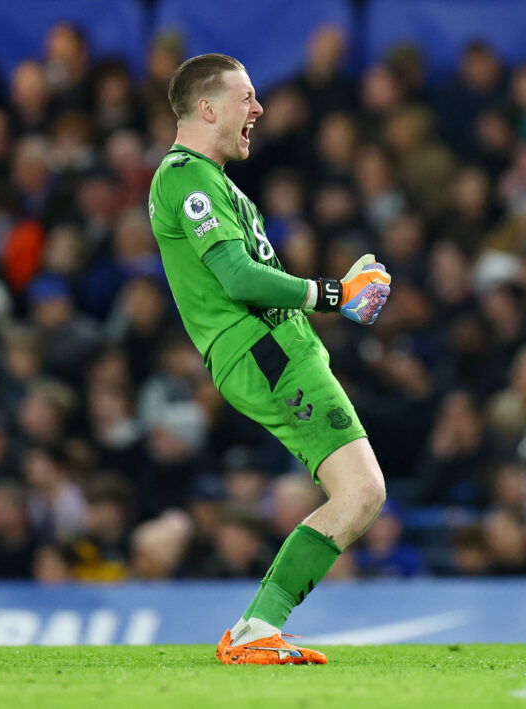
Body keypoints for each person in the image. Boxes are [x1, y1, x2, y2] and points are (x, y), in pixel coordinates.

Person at [147, 54, 391, 665]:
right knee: (360, 492)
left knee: (360, 492)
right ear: (208, 108)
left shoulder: (213, 181)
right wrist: (333, 293)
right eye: (246, 98)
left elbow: (251, 272)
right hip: (264, 351)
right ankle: (257, 626)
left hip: (278, 348)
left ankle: (257, 626)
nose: (258, 110)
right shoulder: (184, 176)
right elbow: (237, 276)